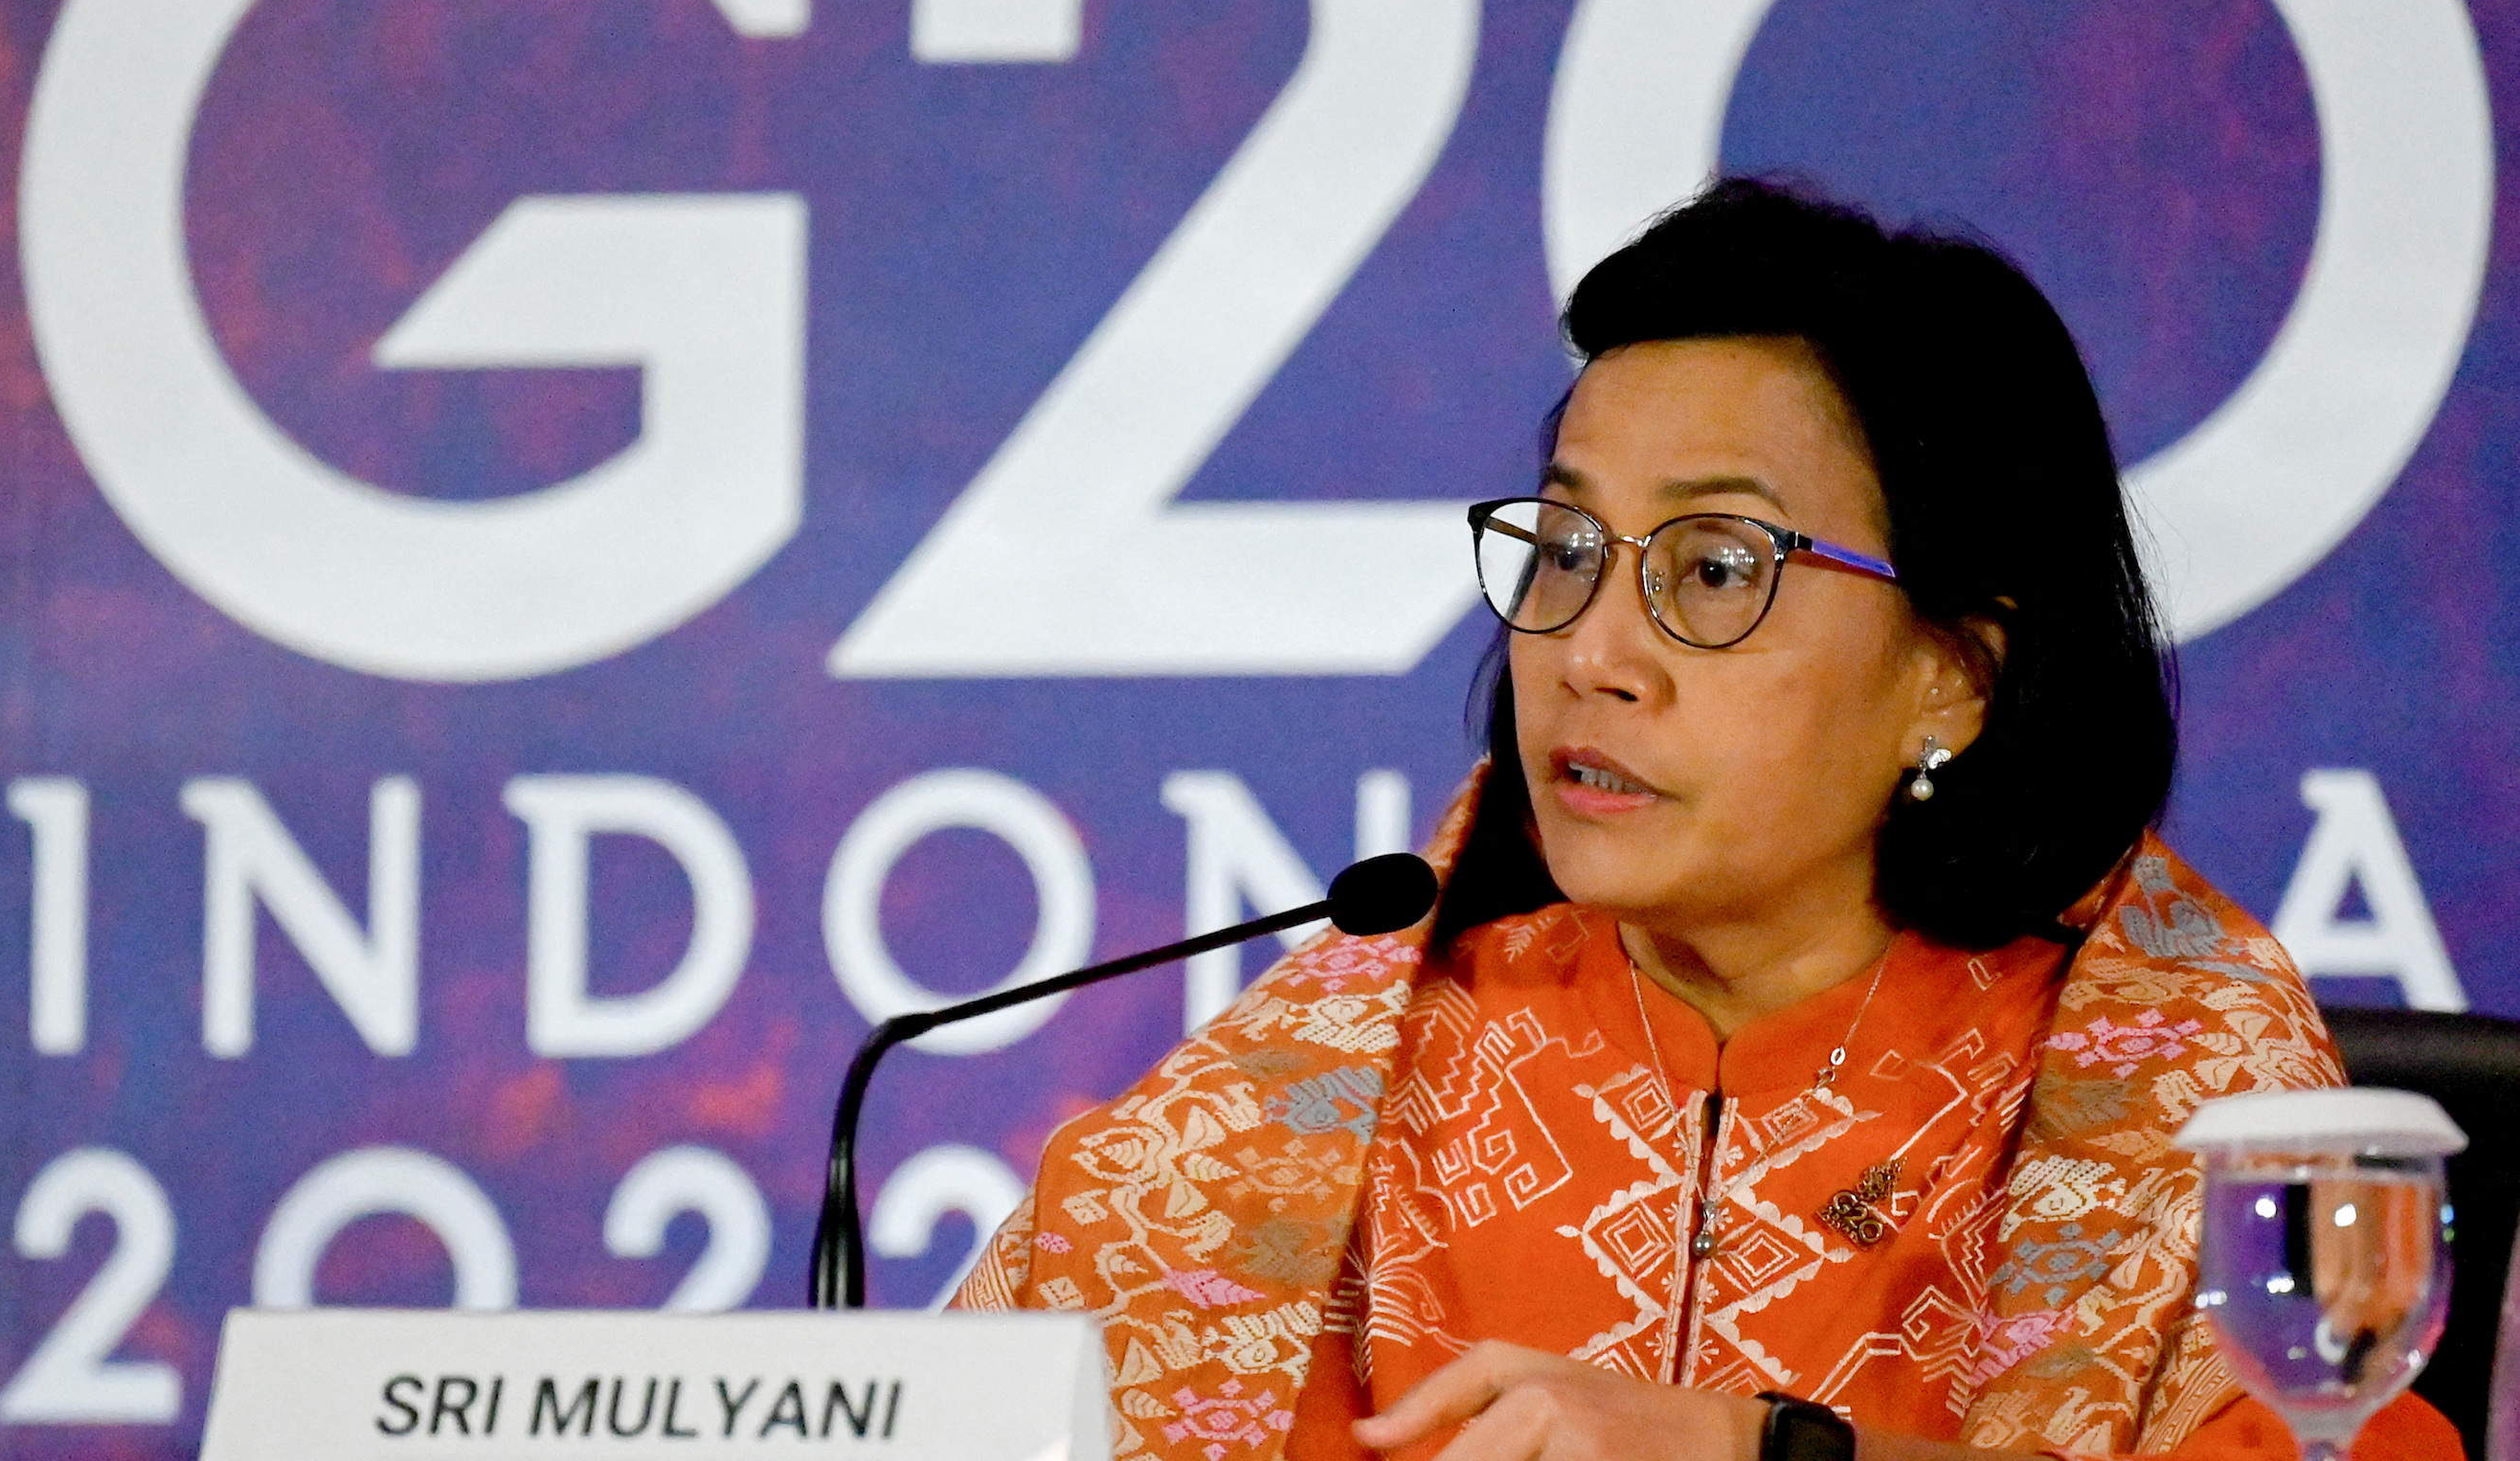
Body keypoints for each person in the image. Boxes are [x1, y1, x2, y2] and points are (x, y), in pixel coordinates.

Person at [955, 180, 2461, 1461]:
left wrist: (1768, 1452)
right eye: (1567, 546)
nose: (1592, 652)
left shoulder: (2182, 1096)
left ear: (1953, 677)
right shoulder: (1331, 1088)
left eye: (1716, 570)